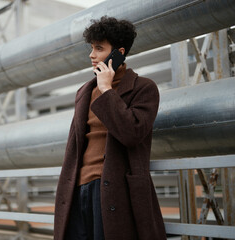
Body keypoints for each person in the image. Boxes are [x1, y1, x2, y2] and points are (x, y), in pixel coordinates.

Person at [54, 16, 167, 240]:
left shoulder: (143, 88)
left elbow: (132, 133)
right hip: (77, 189)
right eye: (91, 48)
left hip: (114, 190)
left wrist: (107, 90)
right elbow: (75, 147)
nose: (92, 55)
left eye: (99, 48)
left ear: (119, 52)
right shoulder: (85, 91)